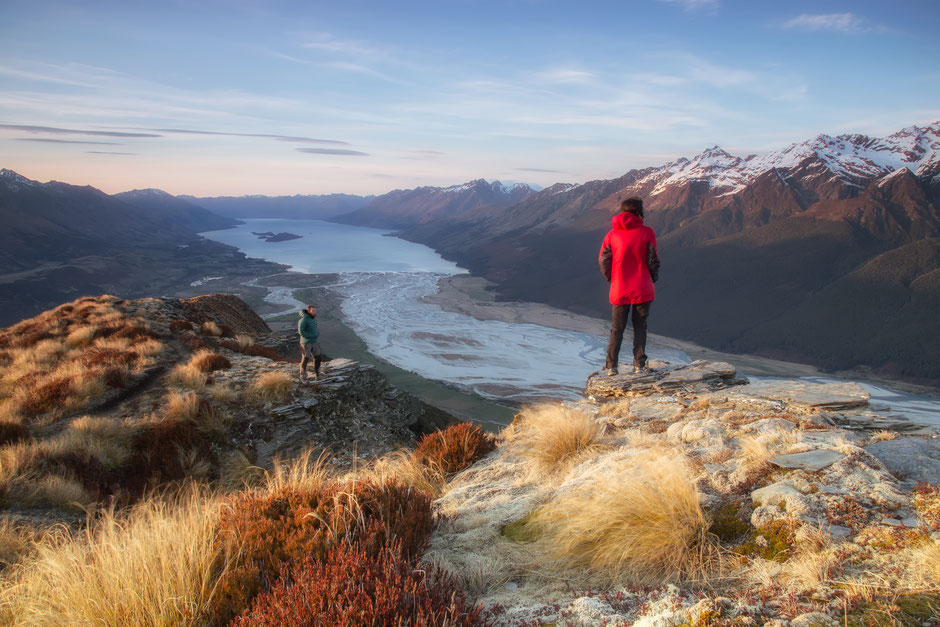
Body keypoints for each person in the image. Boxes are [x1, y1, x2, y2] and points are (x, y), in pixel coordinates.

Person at [598, 197, 660, 376]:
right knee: (640, 326)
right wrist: (651, 278)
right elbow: (653, 259)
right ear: (639, 212)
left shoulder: (612, 235)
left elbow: (603, 260)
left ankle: (611, 367)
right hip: (642, 286)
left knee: (617, 329)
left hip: (619, 287)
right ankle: (639, 366)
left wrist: (612, 278)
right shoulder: (647, 232)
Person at [298, 304, 322, 382]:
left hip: (314, 342)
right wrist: (311, 336)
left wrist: (316, 334)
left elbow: (314, 329)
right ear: (308, 311)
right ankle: (303, 377)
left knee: (318, 357)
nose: (315, 312)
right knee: (305, 359)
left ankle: (318, 375)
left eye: (315, 310)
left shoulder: (313, 319)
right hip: (306, 343)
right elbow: (301, 332)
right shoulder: (304, 320)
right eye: (313, 311)